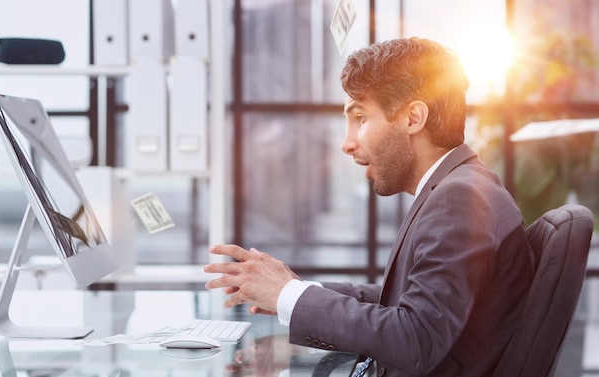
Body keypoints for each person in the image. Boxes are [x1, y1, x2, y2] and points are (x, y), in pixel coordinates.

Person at [204, 37, 535, 377]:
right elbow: (408, 300)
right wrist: (293, 291)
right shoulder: (462, 185)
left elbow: (416, 339)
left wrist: (291, 295)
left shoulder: (459, 200)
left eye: (360, 117)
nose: (347, 144)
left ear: (413, 118)